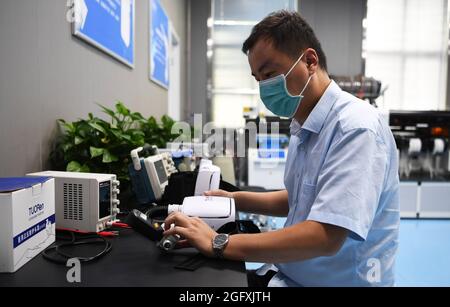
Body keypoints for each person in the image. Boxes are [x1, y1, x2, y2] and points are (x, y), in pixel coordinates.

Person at [163, 10, 400, 287]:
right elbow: (301, 198)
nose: (264, 87)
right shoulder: (304, 123)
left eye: (270, 74)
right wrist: (234, 198)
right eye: (257, 78)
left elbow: (325, 235)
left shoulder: (355, 128)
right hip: (290, 275)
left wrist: (218, 242)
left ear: (310, 61)